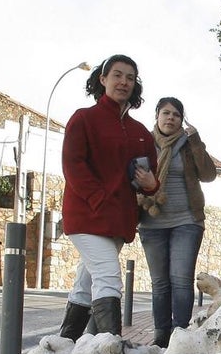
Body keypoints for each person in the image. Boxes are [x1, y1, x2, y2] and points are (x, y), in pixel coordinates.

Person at [58, 55, 160, 339]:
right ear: (102, 79)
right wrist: (99, 199)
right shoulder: (84, 119)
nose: (124, 81)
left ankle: (64, 344)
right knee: (108, 276)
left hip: (118, 220)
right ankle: (110, 349)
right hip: (88, 215)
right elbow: (73, 166)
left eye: (130, 77)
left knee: (84, 283)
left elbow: (149, 176)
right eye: (117, 75)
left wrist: (152, 184)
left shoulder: (140, 132)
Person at [137, 97, 218, 348]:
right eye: (166, 113)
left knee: (181, 279)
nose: (170, 118)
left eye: (176, 115)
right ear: (157, 116)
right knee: (160, 282)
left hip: (186, 219)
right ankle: (161, 335)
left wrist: (195, 142)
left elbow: (208, 174)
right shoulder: (143, 143)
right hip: (152, 219)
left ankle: (180, 334)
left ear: (182, 120)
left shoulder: (188, 144)